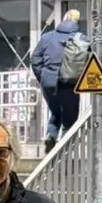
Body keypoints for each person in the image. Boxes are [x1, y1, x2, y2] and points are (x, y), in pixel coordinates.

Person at [31, 9, 85, 149]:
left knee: (55, 112)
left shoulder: (47, 37)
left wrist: (43, 76)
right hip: (71, 82)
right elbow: (89, 60)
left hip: (49, 82)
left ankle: (51, 136)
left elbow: (35, 60)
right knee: (70, 117)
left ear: (64, 19)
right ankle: (66, 148)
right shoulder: (81, 38)